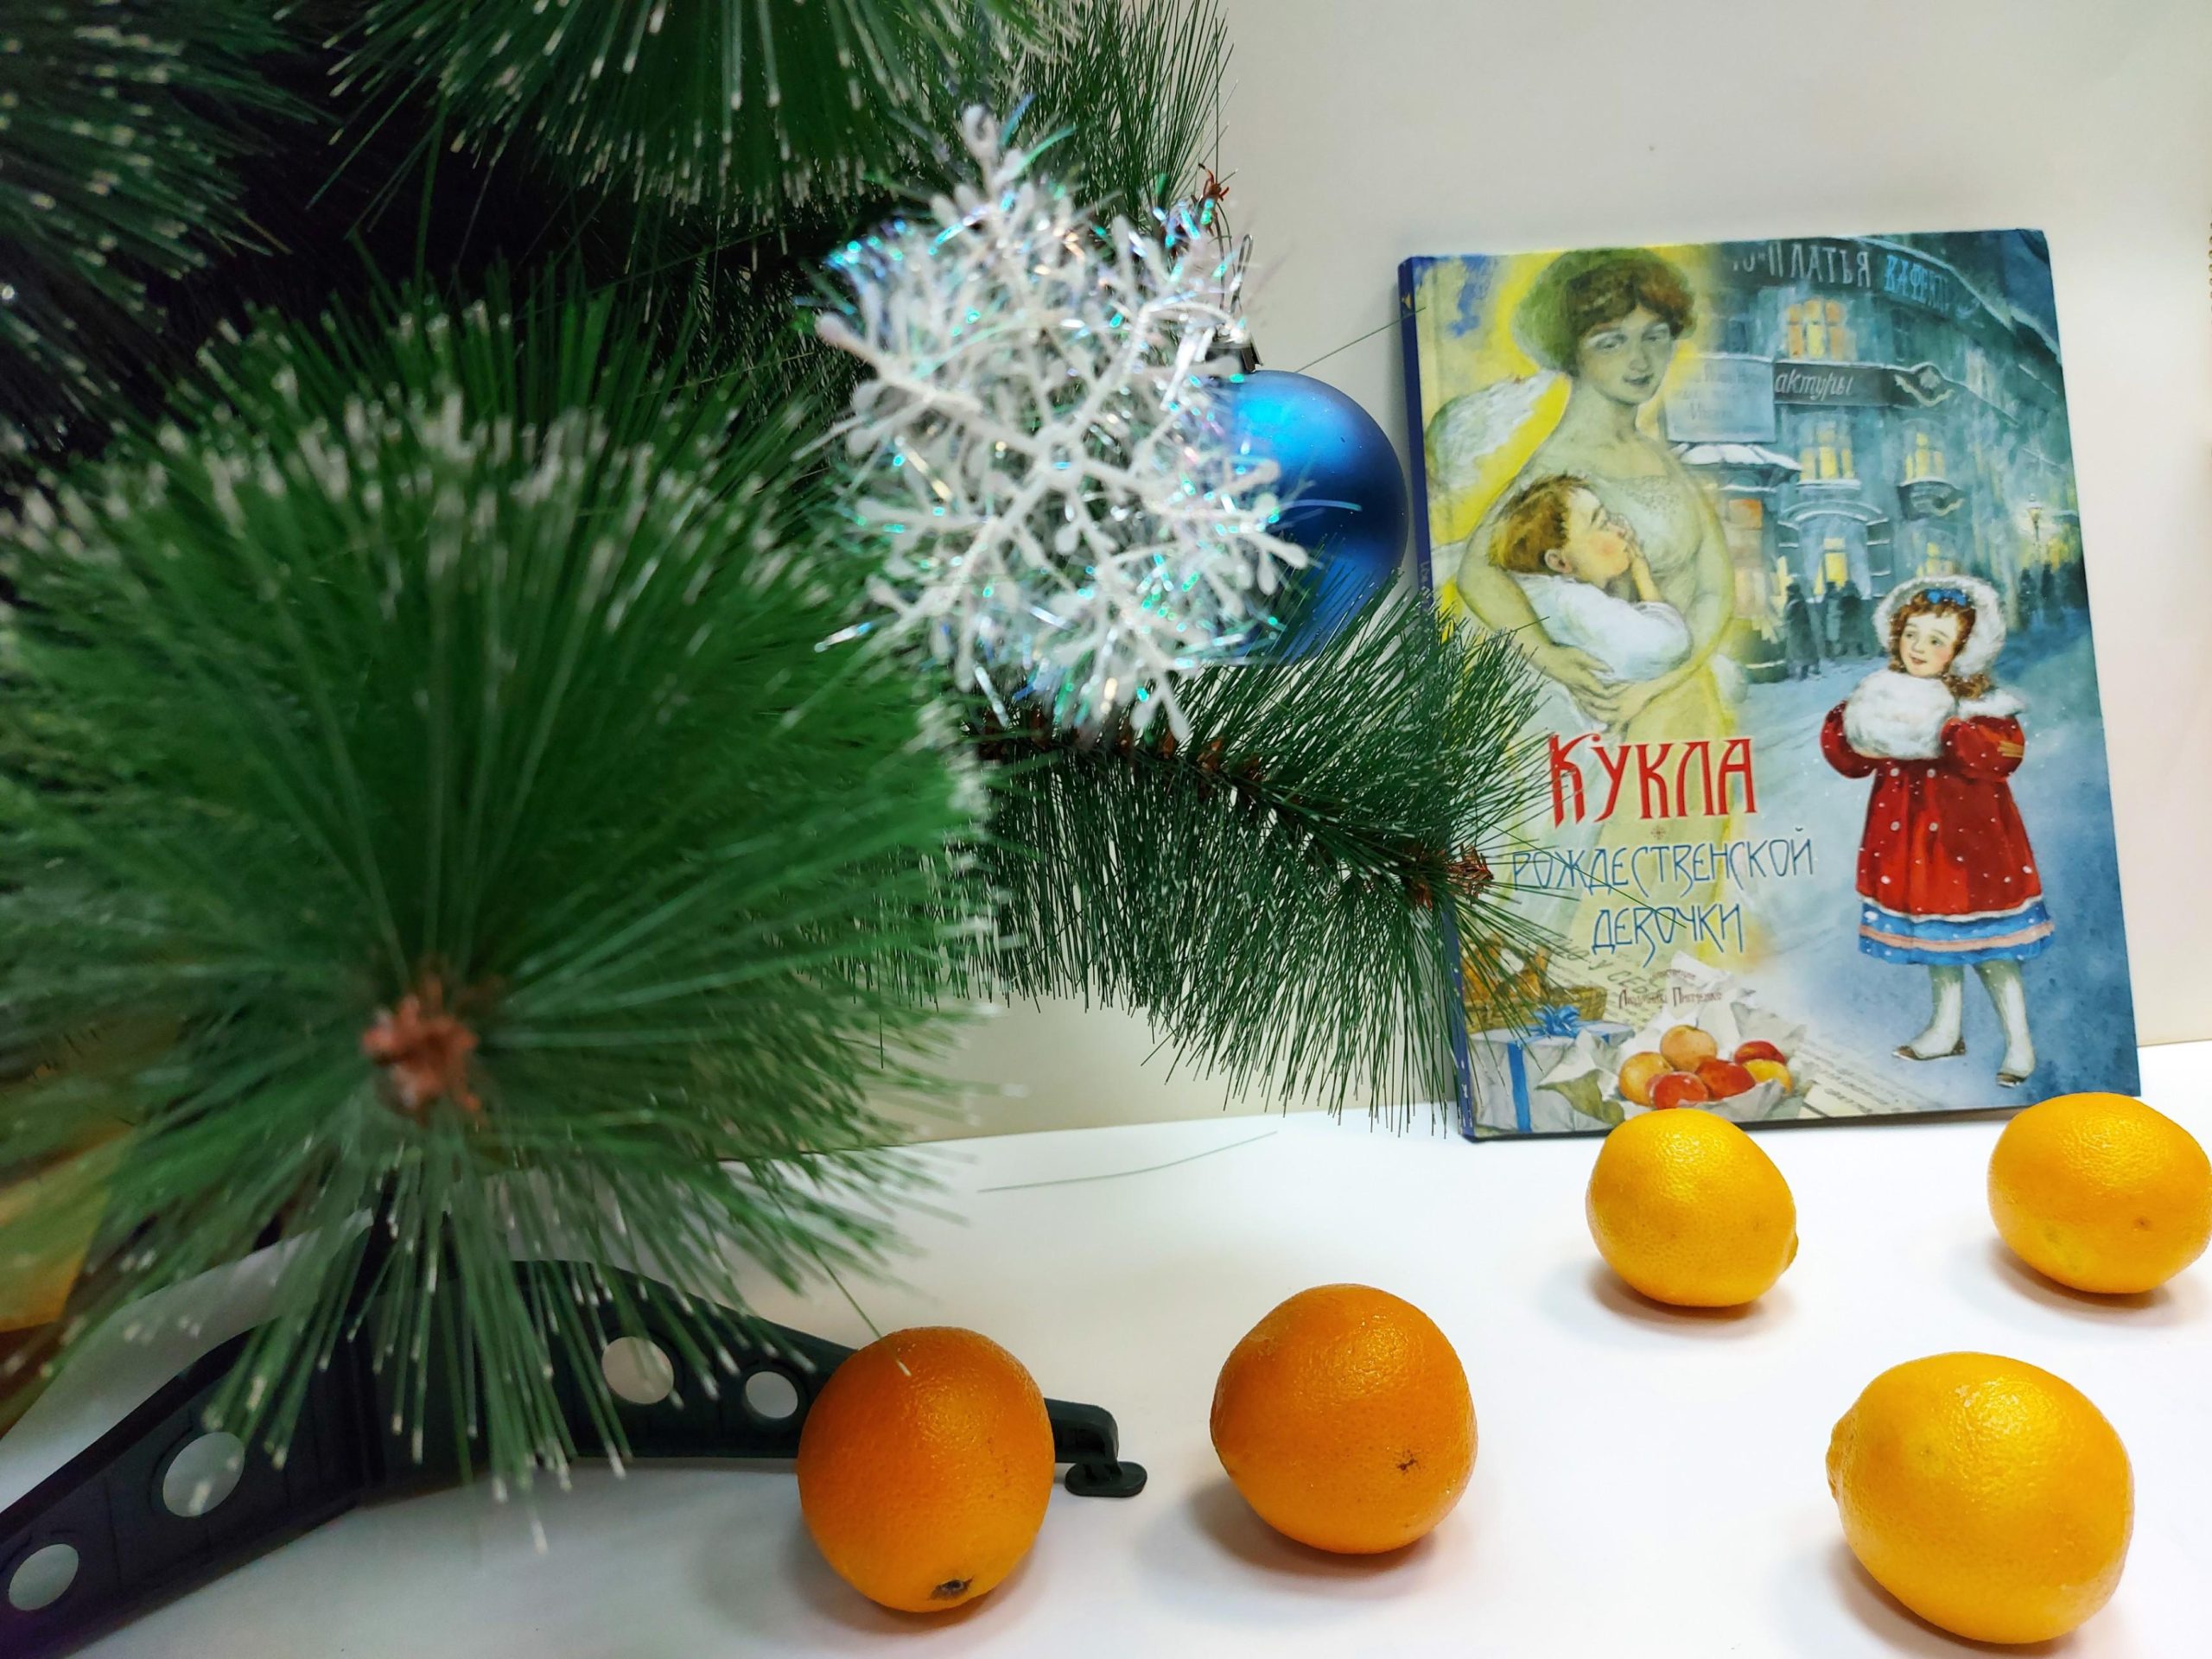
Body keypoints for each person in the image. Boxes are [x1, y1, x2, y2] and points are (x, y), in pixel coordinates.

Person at [1451, 248, 1732, 739]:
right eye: (1611, 342)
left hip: (1679, 699)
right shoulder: (1560, 466)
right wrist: (1551, 658)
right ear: (1573, 352)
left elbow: (1717, 589)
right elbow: (1477, 570)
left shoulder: (1659, 456)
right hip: (1618, 717)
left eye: (1655, 336)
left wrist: (1664, 683)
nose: (1640, 360)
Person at [1819, 575, 2049, 1088]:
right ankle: (1946, 1029)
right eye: (1911, 634)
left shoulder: (1982, 704)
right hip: (1909, 838)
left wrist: (1950, 734)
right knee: (1937, 947)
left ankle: (2019, 1041)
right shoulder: (1883, 694)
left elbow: (2004, 756)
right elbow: (1852, 760)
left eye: (1936, 640)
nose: (1918, 648)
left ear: (1964, 650)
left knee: (1991, 949)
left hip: (1970, 844)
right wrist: (1853, 727)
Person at [1485, 474, 1689, 689]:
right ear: (1559, 562)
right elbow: (1670, 644)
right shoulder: (1574, 603)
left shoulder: (1537, 593)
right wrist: (1642, 576)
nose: (1620, 531)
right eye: (1602, 524)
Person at [1782, 582, 1821, 680]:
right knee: (1799, 651)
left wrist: (1789, 621)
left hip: (1800, 631)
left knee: (1802, 651)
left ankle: (1804, 671)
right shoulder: (1796, 601)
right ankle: (1800, 670)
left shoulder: (1797, 602)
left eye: (1789, 591)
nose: (1788, 593)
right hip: (1796, 630)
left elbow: (1797, 617)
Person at [1831, 579, 1867, 658]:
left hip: (1846, 618)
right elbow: (1861, 608)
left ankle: (1844, 650)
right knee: (1856, 635)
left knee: (1845, 635)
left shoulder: (1844, 599)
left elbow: (1839, 608)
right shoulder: (1856, 599)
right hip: (1854, 618)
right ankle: (1859, 650)